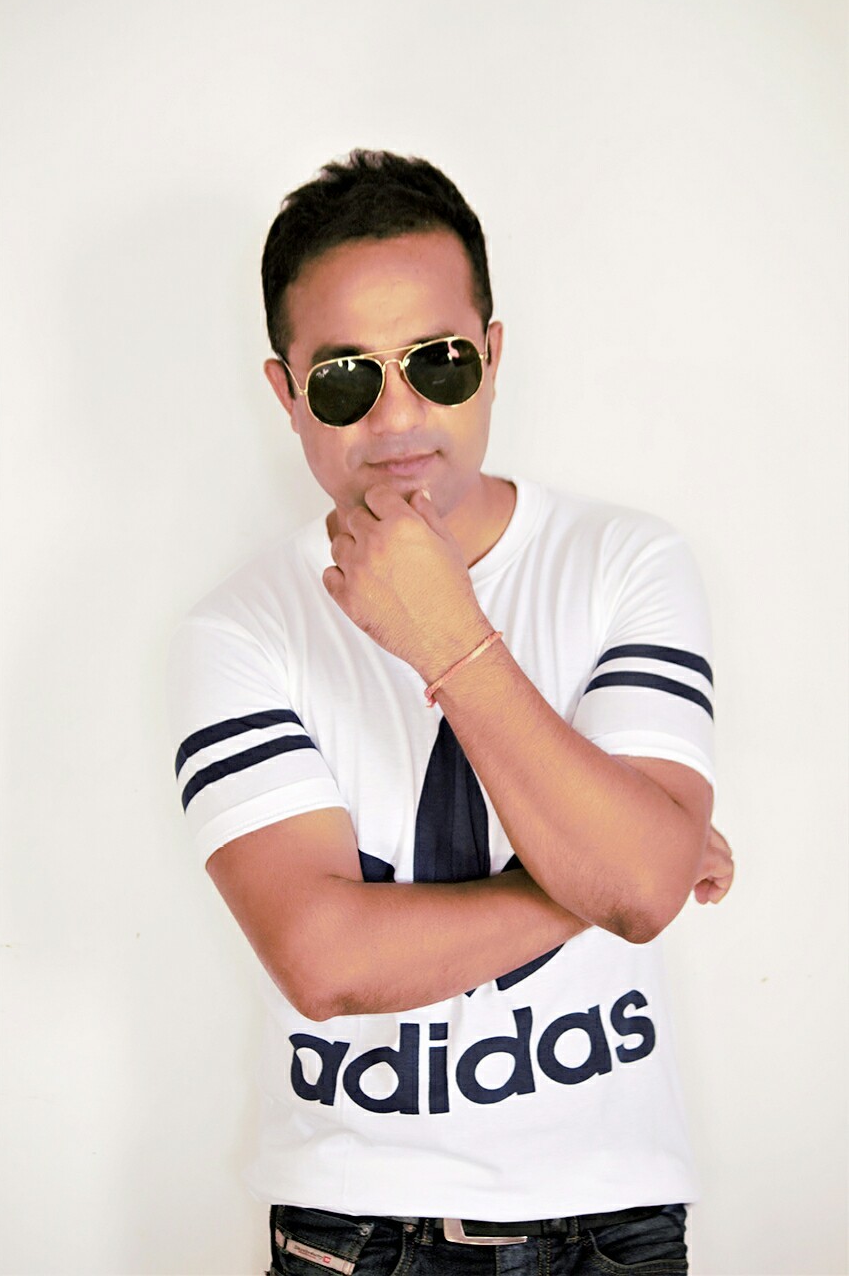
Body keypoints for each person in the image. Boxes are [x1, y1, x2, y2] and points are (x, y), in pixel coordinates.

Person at [168, 150, 734, 1276]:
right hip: (351, 1232)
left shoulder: (626, 562)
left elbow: (640, 883)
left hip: (612, 1222)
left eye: (438, 362)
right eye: (345, 377)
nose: (397, 414)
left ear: (493, 355)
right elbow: (324, 960)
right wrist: (621, 874)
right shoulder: (239, 628)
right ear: (285, 393)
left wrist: (448, 638)